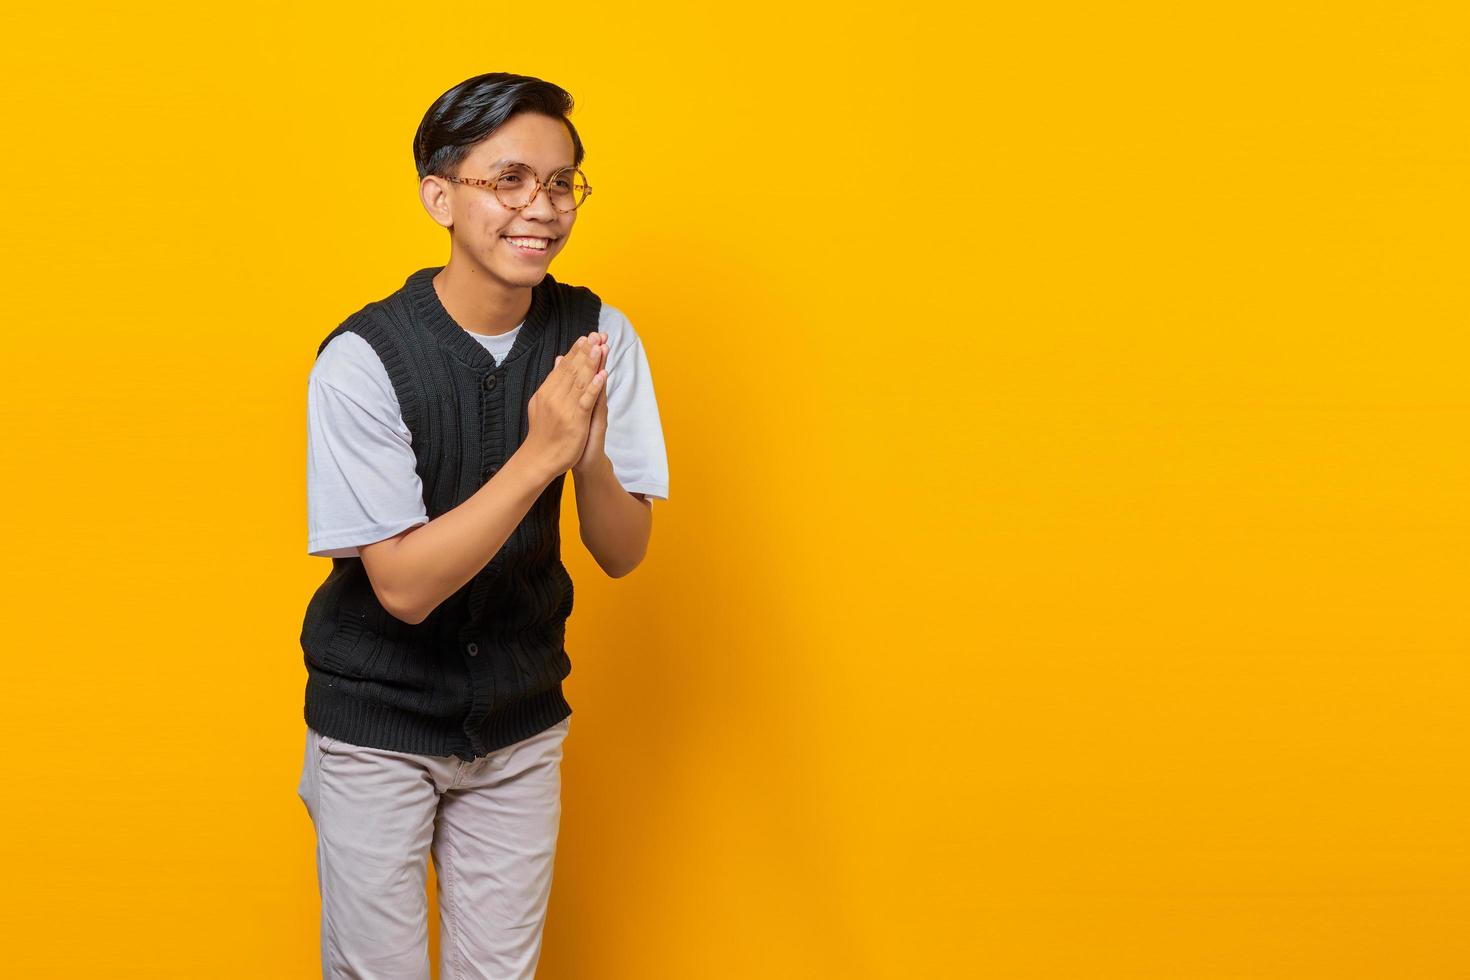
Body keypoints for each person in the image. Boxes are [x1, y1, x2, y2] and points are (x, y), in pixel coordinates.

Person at [295, 71, 669, 979]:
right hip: (376, 722)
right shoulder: (362, 359)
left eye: (560, 182)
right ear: (439, 195)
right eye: (508, 180)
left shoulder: (599, 335)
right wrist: (540, 452)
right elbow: (403, 588)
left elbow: (623, 551)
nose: (539, 208)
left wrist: (586, 458)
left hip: (520, 723)